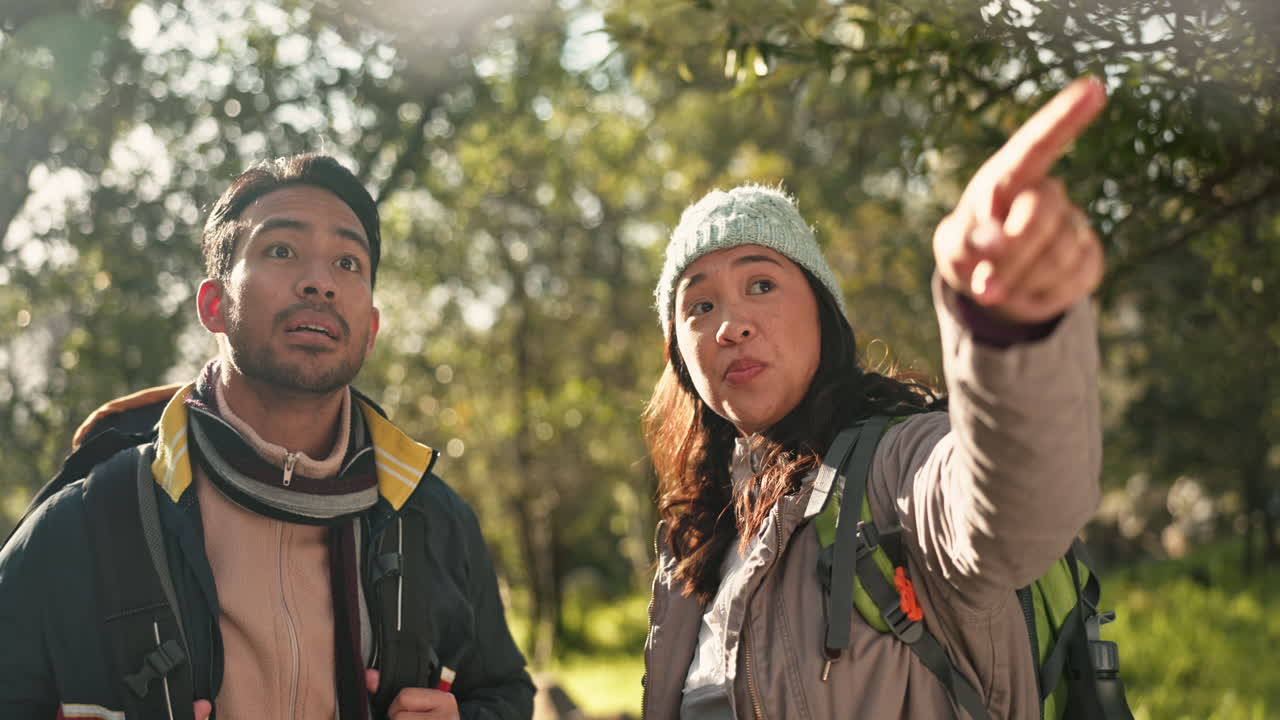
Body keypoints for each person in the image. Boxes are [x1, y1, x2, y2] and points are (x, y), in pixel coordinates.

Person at [0, 153, 534, 720]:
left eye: (348, 263)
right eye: (281, 250)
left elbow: (504, 692)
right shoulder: (84, 522)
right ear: (214, 306)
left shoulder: (432, 520)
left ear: (370, 329)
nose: (320, 283)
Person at [640, 77, 1108, 719]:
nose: (731, 324)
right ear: (679, 354)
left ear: (824, 314)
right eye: (700, 304)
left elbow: (1017, 507)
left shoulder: (897, 465)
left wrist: (1009, 332)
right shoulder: (692, 538)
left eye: (762, 284)